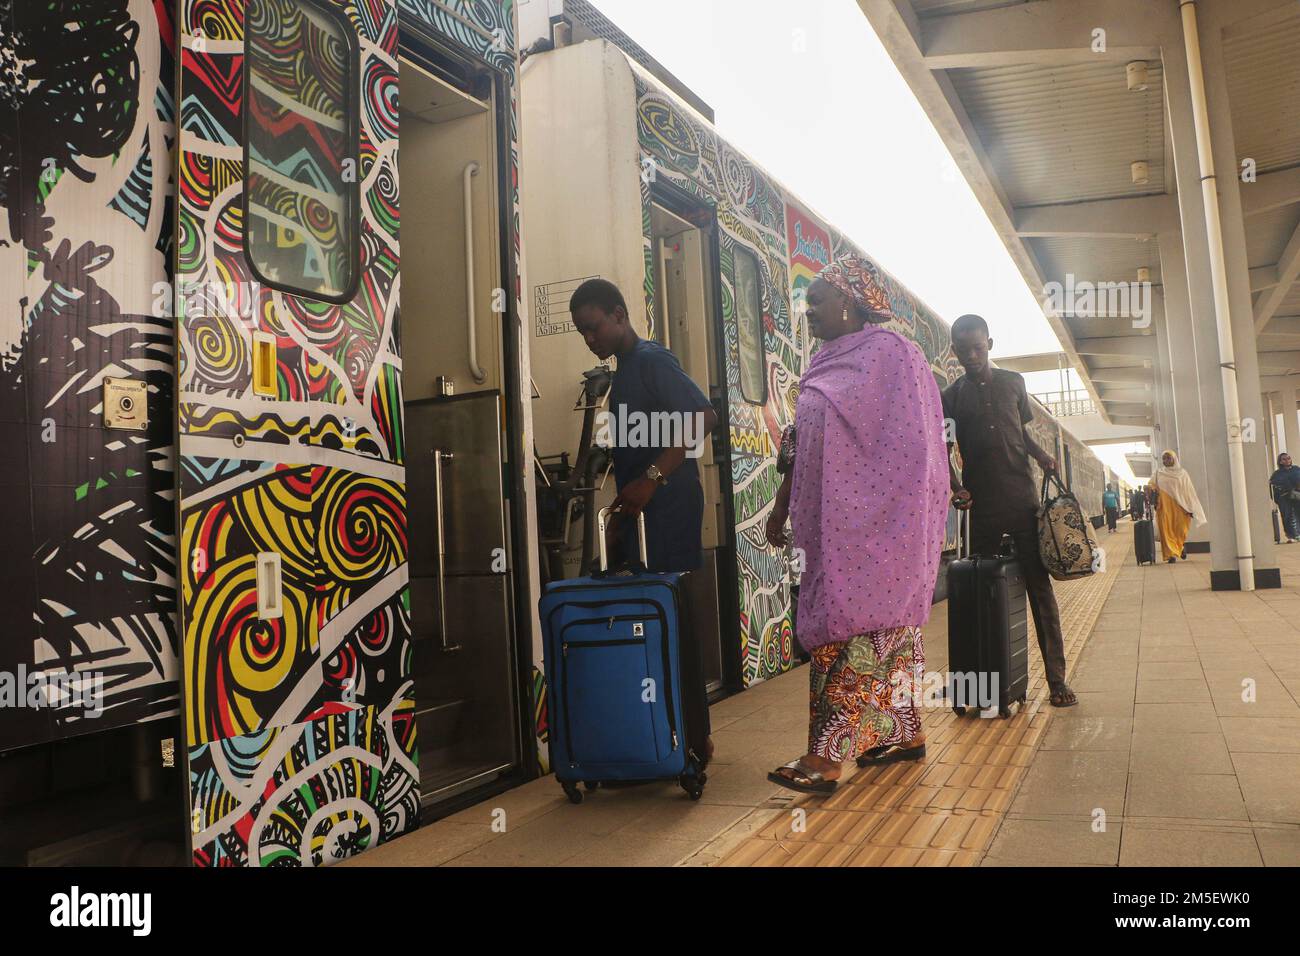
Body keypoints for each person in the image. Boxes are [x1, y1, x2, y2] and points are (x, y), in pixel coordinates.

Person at [763, 255, 948, 794]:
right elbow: (798, 445)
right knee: (877, 630)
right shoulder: (824, 360)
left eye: (816, 300)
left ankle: (824, 759)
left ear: (846, 302)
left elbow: (919, 444)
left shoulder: (895, 354)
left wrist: (888, 511)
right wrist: (780, 506)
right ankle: (906, 732)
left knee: (851, 631)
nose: (809, 311)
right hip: (831, 525)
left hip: (883, 522)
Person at [570, 277, 718, 758]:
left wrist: (652, 478)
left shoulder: (652, 360)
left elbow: (702, 417)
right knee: (653, 616)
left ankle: (695, 738)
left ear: (618, 314)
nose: (589, 340)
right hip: (643, 512)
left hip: (670, 508)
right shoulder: (623, 371)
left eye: (593, 328)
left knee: (674, 616)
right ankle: (662, 729)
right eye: (581, 334)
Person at [943, 314, 1077, 708]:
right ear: (953, 350)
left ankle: (1057, 681)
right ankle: (985, 686)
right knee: (982, 595)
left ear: (990, 344)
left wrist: (1044, 457)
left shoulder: (1013, 384)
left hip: (1023, 503)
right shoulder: (950, 397)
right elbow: (943, 448)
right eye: (963, 349)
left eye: (978, 348)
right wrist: (957, 487)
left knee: (1040, 592)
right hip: (981, 509)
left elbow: (1022, 433)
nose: (971, 356)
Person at [1152, 449, 1206, 563]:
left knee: (1180, 530)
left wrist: (1191, 508)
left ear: (1174, 459)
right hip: (1164, 507)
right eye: (1164, 459)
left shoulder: (1183, 473)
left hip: (1181, 507)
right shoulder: (1158, 473)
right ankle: (1170, 555)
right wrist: (1149, 491)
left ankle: (1180, 548)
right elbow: (1152, 485)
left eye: (1168, 458)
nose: (1165, 461)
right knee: (1166, 531)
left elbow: (1189, 491)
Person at [1269, 452, 1300, 543]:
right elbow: (1273, 484)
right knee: (1288, 516)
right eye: (1284, 459)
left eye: (1288, 458)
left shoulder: (1296, 469)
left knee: (1298, 514)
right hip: (1285, 497)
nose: (1287, 460)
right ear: (1280, 461)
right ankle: (1292, 536)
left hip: (1297, 496)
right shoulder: (1277, 474)